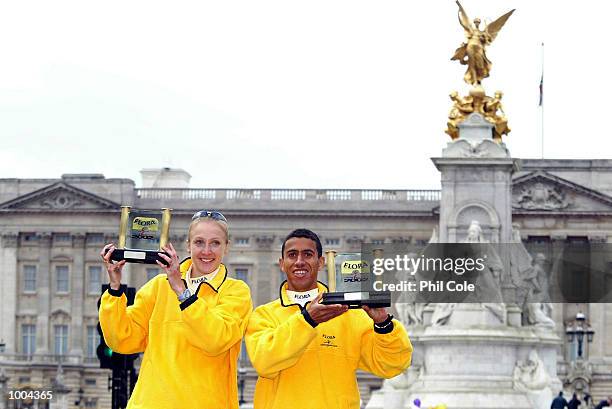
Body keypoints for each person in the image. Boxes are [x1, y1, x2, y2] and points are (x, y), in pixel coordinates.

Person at [99, 210, 252, 409]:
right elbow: (122, 339)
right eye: (199, 242)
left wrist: (181, 290)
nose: (207, 251)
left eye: (215, 243)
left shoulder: (236, 291)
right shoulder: (158, 286)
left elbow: (215, 340)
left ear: (226, 247)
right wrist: (115, 289)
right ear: (188, 245)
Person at [245, 228, 413, 409]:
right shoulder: (264, 315)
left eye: (307, 254)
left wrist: (384, 324)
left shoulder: (350, 315)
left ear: (321, 262)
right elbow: (264, 362)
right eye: (292, 255)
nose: (299, 261)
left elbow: (392, 365)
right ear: (282, 263)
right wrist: (308, 320)